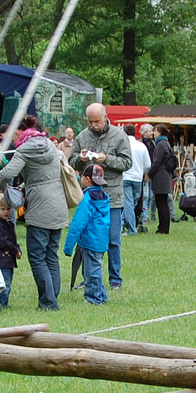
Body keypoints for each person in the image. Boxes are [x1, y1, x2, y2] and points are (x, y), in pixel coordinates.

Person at [0, 116, 70, 310]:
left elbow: (8, 171)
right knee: (51, 255)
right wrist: (23, 186)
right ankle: (52, 297)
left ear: (20, 132)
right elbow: (45, 177)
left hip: (40, 209)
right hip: (58, 205)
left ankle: (48, 302)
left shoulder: (24, 149)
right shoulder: (50, 145)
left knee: (37, 257)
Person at [71, 104, 132, 290]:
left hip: (112, 197)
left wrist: (107, 160)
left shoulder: (119, 136)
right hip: (89, 198)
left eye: (96, 121)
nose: (93, 125)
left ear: (105, 117)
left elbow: (127, 162)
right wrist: (80, 160)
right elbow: (71, 162)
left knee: (113, 240)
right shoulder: (82, 136)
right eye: (90, 121)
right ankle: (88, 278)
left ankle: (115, 279)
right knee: (87, 240)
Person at [64, 163, 110, 305]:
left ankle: (94, 298)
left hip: (90, 241)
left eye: (82, 176)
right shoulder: (104, 197)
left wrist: (68, 246)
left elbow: (78, 223)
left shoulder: (88, 199)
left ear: (88, 179)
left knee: (91, 272)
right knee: (96, 268)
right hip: (101, 240)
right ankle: (101, 295)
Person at [0, 194, 20, 308]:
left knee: (8, 281)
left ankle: (4, 302)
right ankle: (1, 303)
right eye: (3, 209)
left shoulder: (8, 222)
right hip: (1, 259)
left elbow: (12, 238)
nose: (6, 212)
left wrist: (17, 248)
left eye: (8, 209)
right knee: (4, 282)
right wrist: (14, 249)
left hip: (8, 259)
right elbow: (2, 241)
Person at [121, 125, 149, 234]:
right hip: (137, 178)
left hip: (125, 176)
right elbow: (148, 164)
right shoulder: (141, 146)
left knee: (128, 203)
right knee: (132, 203)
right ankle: (125, 225)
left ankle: (129, 228)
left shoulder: (123, 145)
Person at [151, 125, 177, 234]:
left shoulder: (160, 144)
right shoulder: (166, 143)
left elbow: (157, 161)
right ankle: (164, 227)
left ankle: (163, 228)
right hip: (166, 175)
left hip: (160, 176)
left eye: (155, 131)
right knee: (164, 202)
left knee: (161, 203)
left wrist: (150, 173)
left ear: (159, 132)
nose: (153, 133)